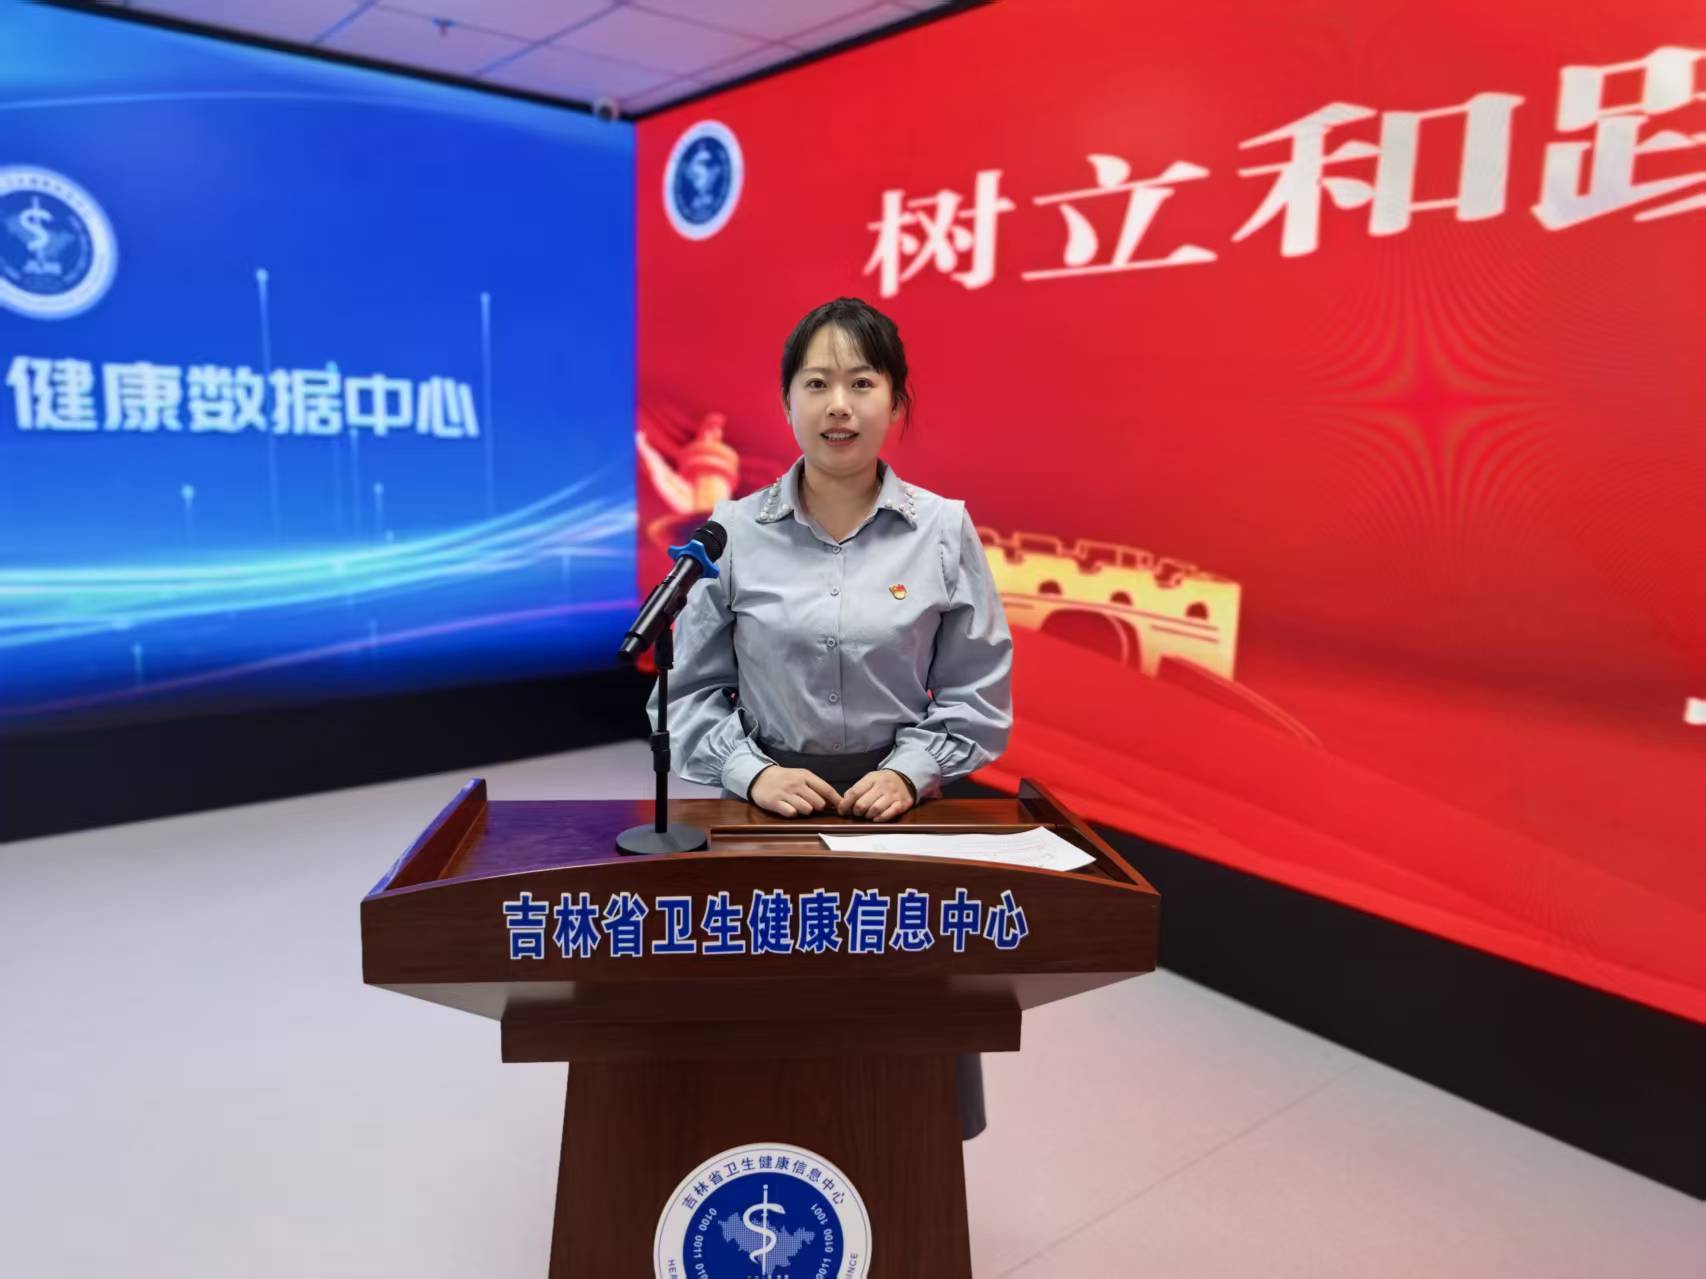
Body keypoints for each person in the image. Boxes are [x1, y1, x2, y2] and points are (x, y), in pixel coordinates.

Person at [648, 295, 1014, 1137]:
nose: (838, 405)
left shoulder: (944, 530)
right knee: (766, 1064)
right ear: (787, 403)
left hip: (899, 819)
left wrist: (910, 771)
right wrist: (753, 772)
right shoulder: (731, 533)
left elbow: (977, 693)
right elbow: (684, 691)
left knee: (903, 1076)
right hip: (763, 816)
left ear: (897, 401)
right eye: (816, 383)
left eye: (861, 382)